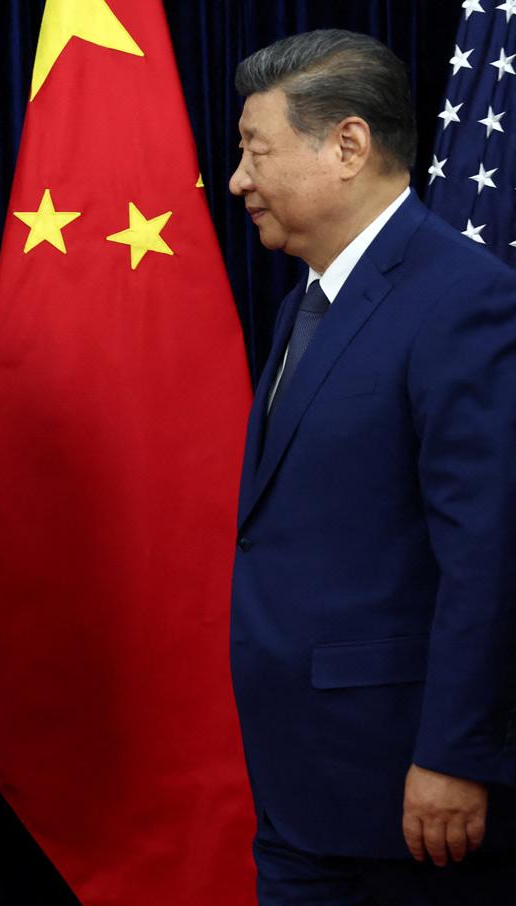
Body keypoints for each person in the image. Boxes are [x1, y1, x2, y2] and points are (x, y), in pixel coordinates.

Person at [227, 29, 516, 904]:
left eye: (255, 150)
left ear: (346, 146)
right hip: (301, 786)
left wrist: (455, 756)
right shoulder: (304, 306)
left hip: (407, 800)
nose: (237, 179)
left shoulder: (463, 302)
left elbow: (491, 552)